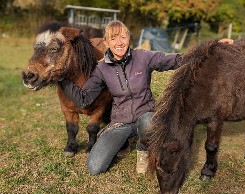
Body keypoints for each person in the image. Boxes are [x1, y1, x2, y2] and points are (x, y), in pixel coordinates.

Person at [59, 20, 233, 175]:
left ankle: (142, 148)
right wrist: (61, 79)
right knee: (95, 167)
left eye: (123, 37)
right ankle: (124, 142)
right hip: (121, 121)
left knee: (149, 123)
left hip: (145, 115)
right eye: (113, 39)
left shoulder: (143, 57)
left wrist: (210, 47)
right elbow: (83, 99)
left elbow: (178, 60)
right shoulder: (101, 69)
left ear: (129, 39)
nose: (119, 43)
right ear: (106, 42)